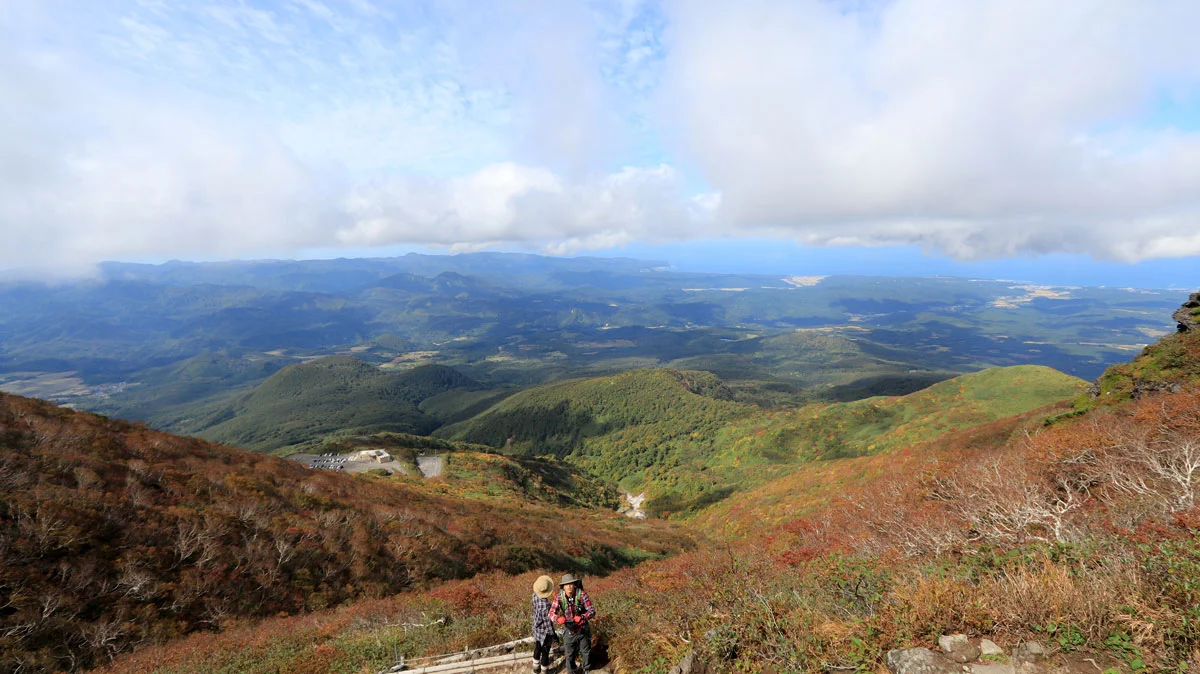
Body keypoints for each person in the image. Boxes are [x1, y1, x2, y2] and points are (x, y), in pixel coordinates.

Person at [548, 573, 595, 674]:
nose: (569, 586)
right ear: (563, 587)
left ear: (574, 585)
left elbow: (592, 610)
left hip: (582, 627)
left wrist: (582, 617)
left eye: (571, 584)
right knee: (569, 653)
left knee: (585, 650)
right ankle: (571, 671)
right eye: (566, 584)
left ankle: (586, 669)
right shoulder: (559, 597)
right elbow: (551, 613)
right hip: (569, 628)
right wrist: (558, 619)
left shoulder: (581, 594)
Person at [531, 575, 556, 674]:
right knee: (545, 652)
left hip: (536, 628)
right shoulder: (546, 606)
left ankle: (535, 669)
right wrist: (553, 634)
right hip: (545, 632)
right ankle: (544, 671)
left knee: (537, 647)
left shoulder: (534, 595)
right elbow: (548, 624)